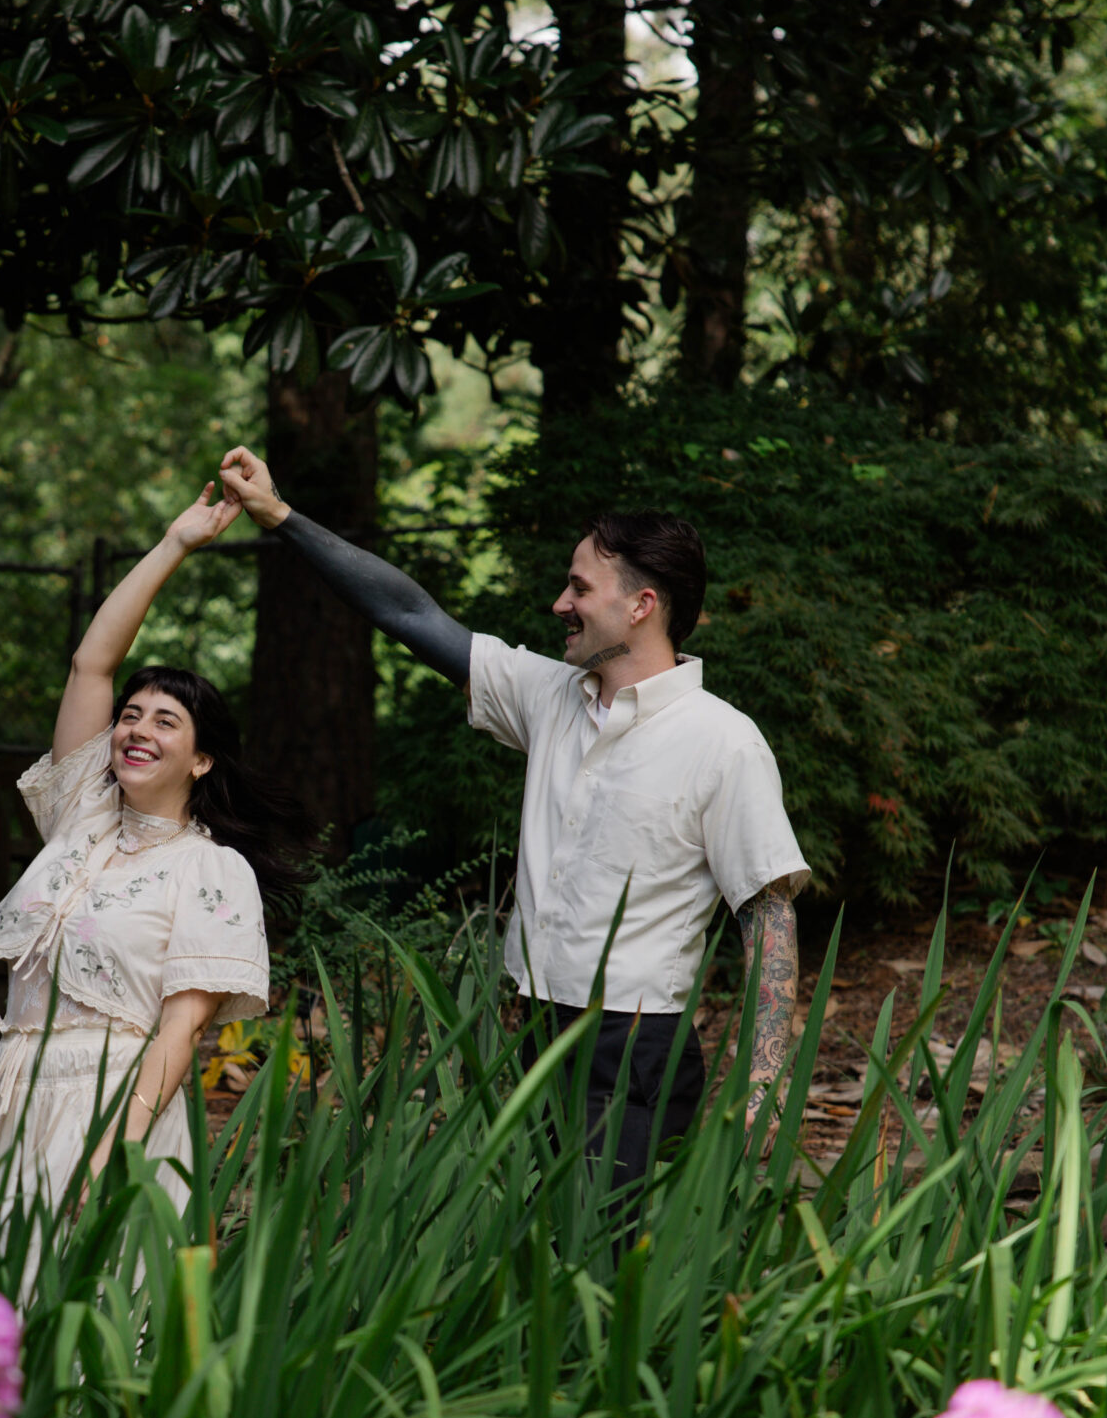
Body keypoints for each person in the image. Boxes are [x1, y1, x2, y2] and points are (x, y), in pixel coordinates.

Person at [217, 447, 809, 1182]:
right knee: (533, 1236)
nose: (560, 603)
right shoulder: (548, 697)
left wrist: (764, 1085)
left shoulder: (723, 741)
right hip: (531, 1029)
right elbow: (407, 612)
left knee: (599, 1240)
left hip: (632, 1048)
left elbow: (767, 912)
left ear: (641, 606)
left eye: (579, 587)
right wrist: (279, 516)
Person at [0, 483, 304, 1258]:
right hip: (15, 1099)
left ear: (201, 759)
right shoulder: (79, 817)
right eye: (131, 715)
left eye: (165, 721)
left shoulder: (211, 870)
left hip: (117, 1112)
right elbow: (91, 663)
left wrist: (113, 1150)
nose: (137, 729)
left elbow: (182, 1028)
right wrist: (174, 543)